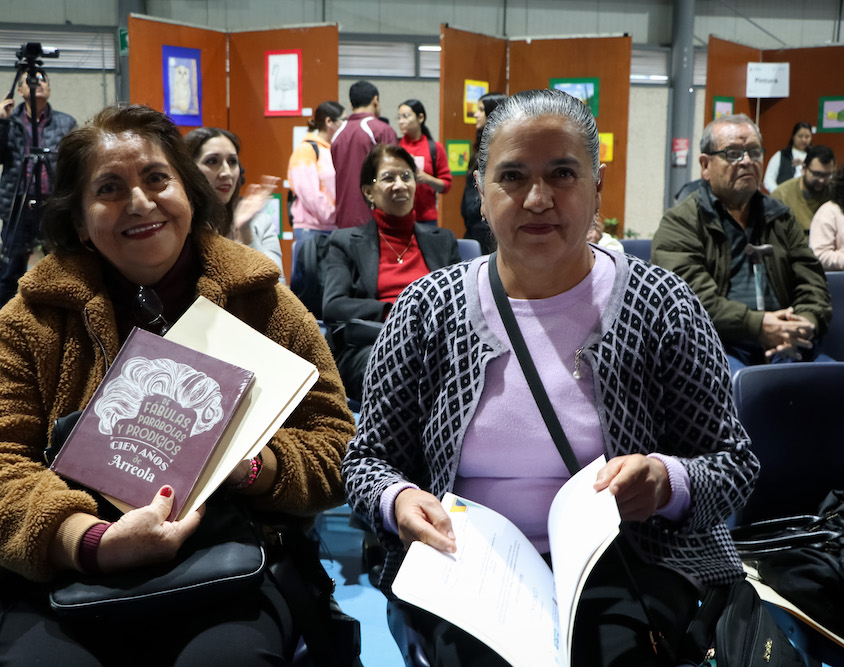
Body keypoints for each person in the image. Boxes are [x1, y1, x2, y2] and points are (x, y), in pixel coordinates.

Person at [342, 89, 760, 666]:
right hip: (469, 571)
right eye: (512, 176)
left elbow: (732, 465)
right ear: (482, 195)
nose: (538, 199)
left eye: (562, 173)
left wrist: (667, 482)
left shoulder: (660, 304)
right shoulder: (427, 308)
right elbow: (366, 461)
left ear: (597, 186)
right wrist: (400, 499)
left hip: (627, 563)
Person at [0, 104, 355, 665]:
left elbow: (337, 449)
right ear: (79, 220)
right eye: (109, 188)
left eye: (157, 178)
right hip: (67, 577)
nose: (139, 202)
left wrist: (252, 465)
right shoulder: (33, 319)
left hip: (233, 564)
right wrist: (87, 540)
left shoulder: (262, 301)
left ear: (188, 191)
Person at [651, 113, 832, 371]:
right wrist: (758, 326)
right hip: (718, 344)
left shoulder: (780, 216)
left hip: (789, 342)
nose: (747, 161)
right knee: (741, 390)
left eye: (754, 152)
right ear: (705, 165)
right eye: (733, 153)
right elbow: (690, 300)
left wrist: (803, 322)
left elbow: (813, 282)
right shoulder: (681, 222)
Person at [322, 144, 460, 402]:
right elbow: (333, 306)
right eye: (388, 178)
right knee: (402, 368)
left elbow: (459, 301)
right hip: (371, 345)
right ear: (368, 191)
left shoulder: (442, 240)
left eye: (406, 176)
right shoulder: (345, 242)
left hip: (435, 344)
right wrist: (395, 312)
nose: (400, 185)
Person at [0, 68, 77, 317]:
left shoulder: (66, 123)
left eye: (43, 79)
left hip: (52, 207)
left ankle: (58, 321)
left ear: (49, 88)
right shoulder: (10, 122)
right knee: (11, 268)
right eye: (31, 81)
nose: (39, 84)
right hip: (17, 206)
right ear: (20, 91)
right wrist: (1, 119)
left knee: (60, 266)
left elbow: (77, 162)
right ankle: (3, 323)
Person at [184, 126, 285, 283]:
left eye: (232, 162)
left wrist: (246, 232)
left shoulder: (260, 222)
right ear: (190, 168)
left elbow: (279, 288)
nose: (226, 173)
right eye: (212, 161)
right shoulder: (179, 224)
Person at [330, 81, 398, 229]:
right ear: (375, 100)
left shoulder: (337, 135)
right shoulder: (381, 130)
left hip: (344, 221)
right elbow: (393, 174)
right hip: (375, 221)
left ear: (351, 105)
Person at [287, 101, 344, 240]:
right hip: (312, 230)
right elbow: (308, 192)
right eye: (343, 120)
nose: (345, 125)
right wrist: (331, 214)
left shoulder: (334, 149)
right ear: (329, 122)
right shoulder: (306, 149)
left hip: (333, 227)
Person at [460, 92, 506, 253]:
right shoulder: (478, 146)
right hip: (472, 226)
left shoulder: (501, 148)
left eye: (481, 109)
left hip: (486, 225)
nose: (476, 114)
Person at [397, 99, 452, 224]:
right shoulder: (396, 147)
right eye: (399, 117)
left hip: (427, 219)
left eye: (406, 116)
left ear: (420, 118)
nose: (401, 122)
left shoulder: (435, 148)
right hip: (400, 216)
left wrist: (426, 178)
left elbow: (446, 185)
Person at [771, 144, 836, 233]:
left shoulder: (835, 193)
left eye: (827, 175)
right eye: (816, 174)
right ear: (804, 169)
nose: (821, 180)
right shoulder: (782, 195)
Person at [763, 121, 811, 193]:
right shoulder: (781, 155)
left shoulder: (814, 157)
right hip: (783, 198)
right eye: (800, 136)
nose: (803, 140)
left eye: (807, 137)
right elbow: (768, 180)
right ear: (793, 136)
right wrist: (779, 194)